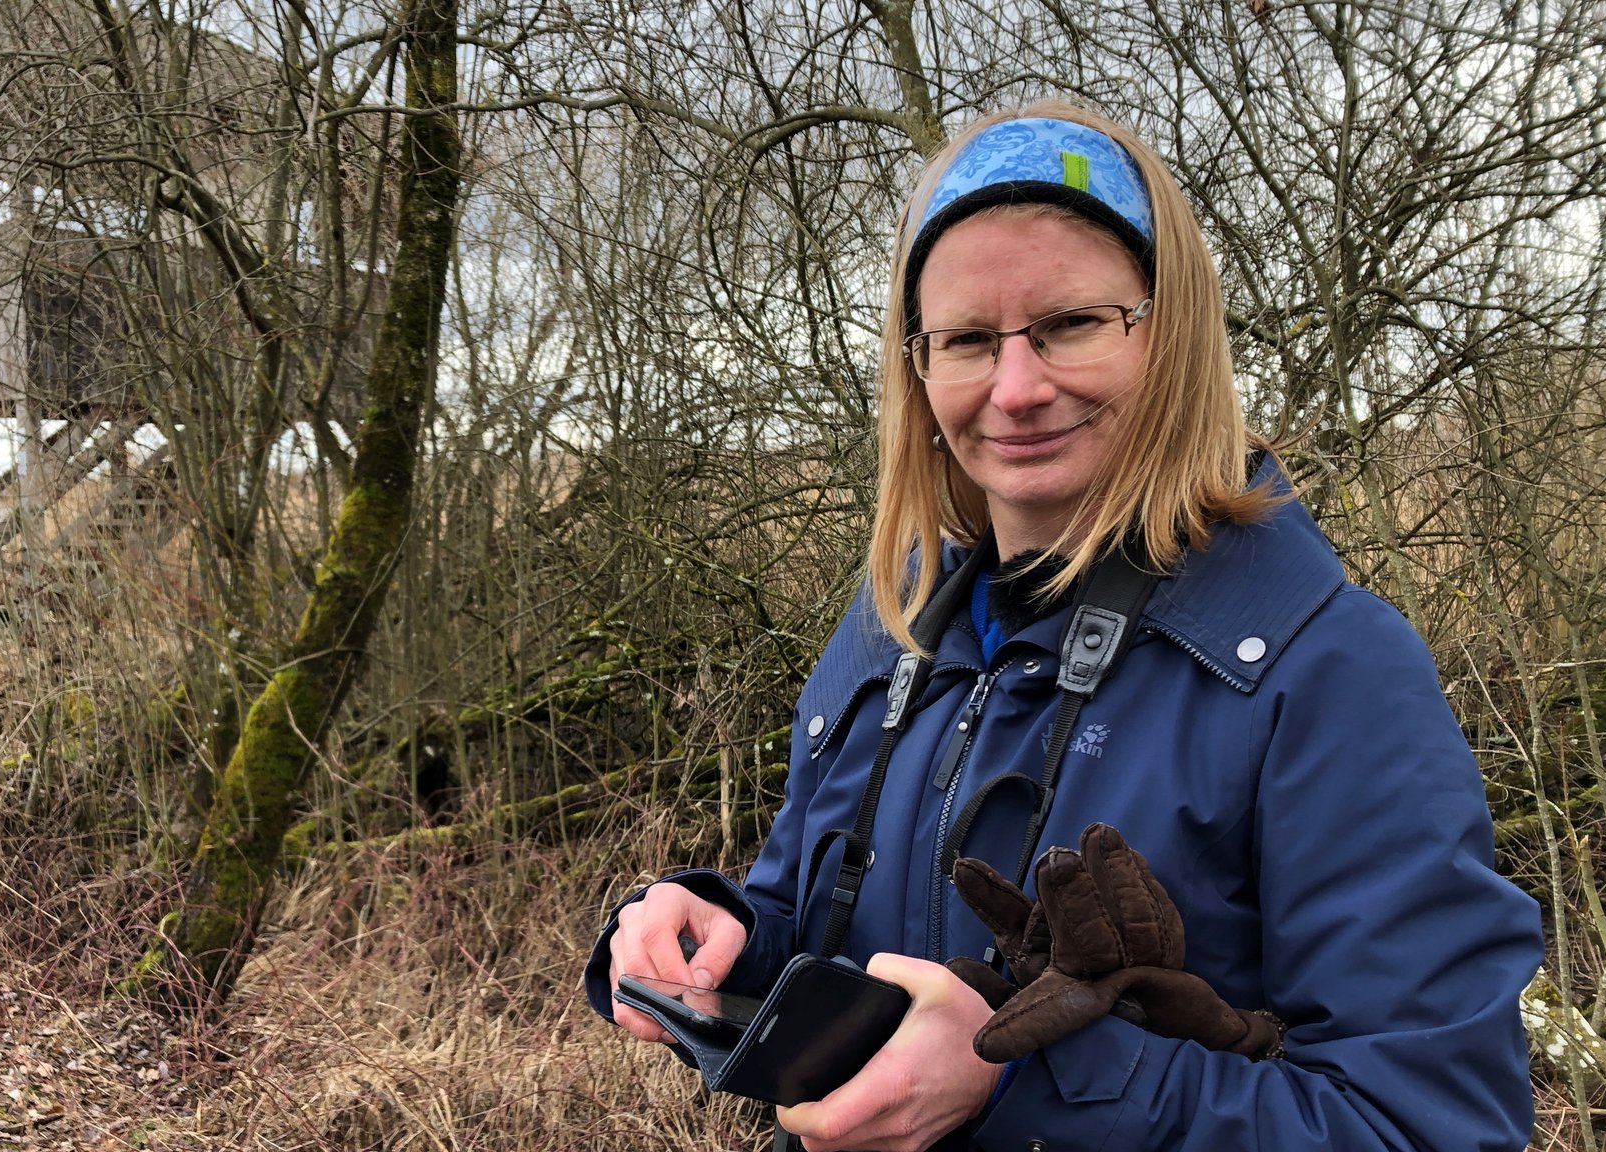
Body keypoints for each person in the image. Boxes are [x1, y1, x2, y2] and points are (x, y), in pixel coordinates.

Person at [584, 101, 1543, 1152]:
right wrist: (722, 939)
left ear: (1167, 334)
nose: (1015, 387)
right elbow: (815, 924)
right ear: (916, 367)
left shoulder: (1324, 675)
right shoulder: (889, 633)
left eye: (1069, 325)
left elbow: (1425, 1125)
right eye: (965, 341)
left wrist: (1020, 1084)